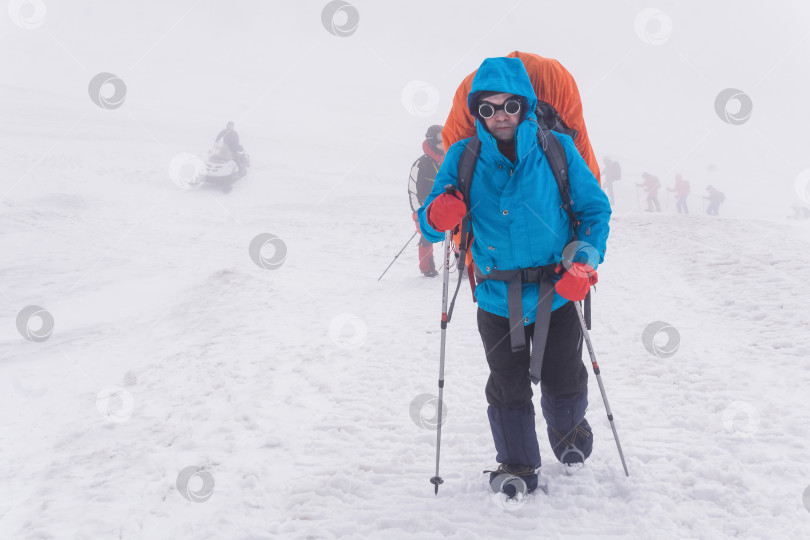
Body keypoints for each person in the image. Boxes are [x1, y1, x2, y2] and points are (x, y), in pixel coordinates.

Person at [417, 57, 611, 494]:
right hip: (495, 298)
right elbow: (428, 222)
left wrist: (583, 260)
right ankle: (518, 465)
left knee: (565, 380)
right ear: (476, 113)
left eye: (508, 105)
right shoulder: (462, 157)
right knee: (507, 387)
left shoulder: (557, 149)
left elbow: (594, 210)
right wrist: (437, 214)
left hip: (556, 292)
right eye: (487, 108)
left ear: (525, 105)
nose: (499, 115)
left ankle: (569, 434)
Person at [407, 125, 445, 277]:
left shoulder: (450, 159)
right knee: (426, 237)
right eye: (439, 143)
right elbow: (413, 192)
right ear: (430, 143)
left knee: (459, 235)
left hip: (449, 207)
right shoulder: (421, 164)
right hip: (427, 210)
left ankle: (463, 265)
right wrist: (418, 214)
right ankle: (427, 268)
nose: (442, 146)